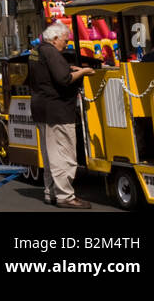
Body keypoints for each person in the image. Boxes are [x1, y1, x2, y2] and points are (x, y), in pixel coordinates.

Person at [29, 22, 95, 208]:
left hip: (41, 109)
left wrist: (69, 69)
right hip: (57, 111)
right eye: (65, 41)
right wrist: (83, 71)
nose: (65, 45)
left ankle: (51, 192)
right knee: (63, 155)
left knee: (50, 155)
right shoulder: (50, 52)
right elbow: (63, 79)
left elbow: (47, 75)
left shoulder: (37, 51)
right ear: (55, 38)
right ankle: (66, 196)